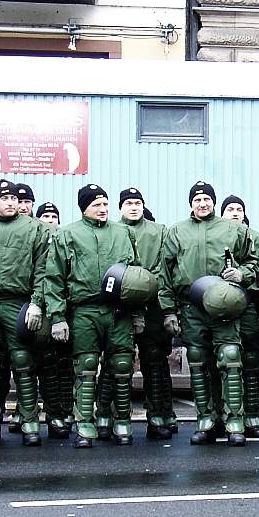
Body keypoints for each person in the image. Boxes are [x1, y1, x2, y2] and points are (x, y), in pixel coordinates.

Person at [160, 181, 258, 446]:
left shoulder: (233, 229)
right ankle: (206, 419)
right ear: (190, 203)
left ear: (214, 202)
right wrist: (169, 310)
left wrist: (242, 274)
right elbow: (164, 274)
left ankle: (234, 420)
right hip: (191, 306)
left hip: (225, 305)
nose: (202, 204)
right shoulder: (176, 232)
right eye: (197, 199)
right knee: (198, 360)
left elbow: (253, 263)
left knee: (230, 357)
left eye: (207, 199)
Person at [45, 184, 141, 448]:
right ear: (84, 207)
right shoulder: (68, 235)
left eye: (105, 204)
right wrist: (57, 317)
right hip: (84, 310)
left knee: (121, 366)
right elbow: (53, 278)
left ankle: (120, 421)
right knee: (86, 368)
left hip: (118, 311)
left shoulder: (123, 233)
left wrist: (138, 313)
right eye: (96, 204)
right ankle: (84, 425)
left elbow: (136, 274)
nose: (103, 209)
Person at [0, 180, 50, 446]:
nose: (10, 202)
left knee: (23, 361)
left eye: (14, 198)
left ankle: (30, 420)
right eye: (4, 198)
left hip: (17, 302)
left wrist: (37, 303)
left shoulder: (34, 229)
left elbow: (43, 269)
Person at [120, 188, 176, 440]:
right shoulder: (113, 231)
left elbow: (166, 269)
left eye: (137, 203)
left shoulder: (159, 232)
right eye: (129, 203)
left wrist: (166, 308)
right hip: (120, 307)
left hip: (153, 304)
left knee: (155, 361)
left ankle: (159, 415)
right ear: (121, 207)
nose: (133, 207)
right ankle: (114, 417)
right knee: (118, 362)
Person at [220, 194, 259, 438]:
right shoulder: (215, 238)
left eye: (238, 209)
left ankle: (253, 414)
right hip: (220, 309)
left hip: (251, 307)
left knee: (252, 362)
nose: (234, 213)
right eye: (229, 209)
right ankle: (222, 415)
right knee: (225, 361)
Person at [34, 201, 75, 438]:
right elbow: (39, 277)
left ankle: (66, 411)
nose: (50, 220)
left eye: (53, 216)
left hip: (67, 308)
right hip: (43, 310)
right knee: (46, 363)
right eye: (45, 216)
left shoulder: (66, 241)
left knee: (66, 363)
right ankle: (52, 414)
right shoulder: (37, 242)